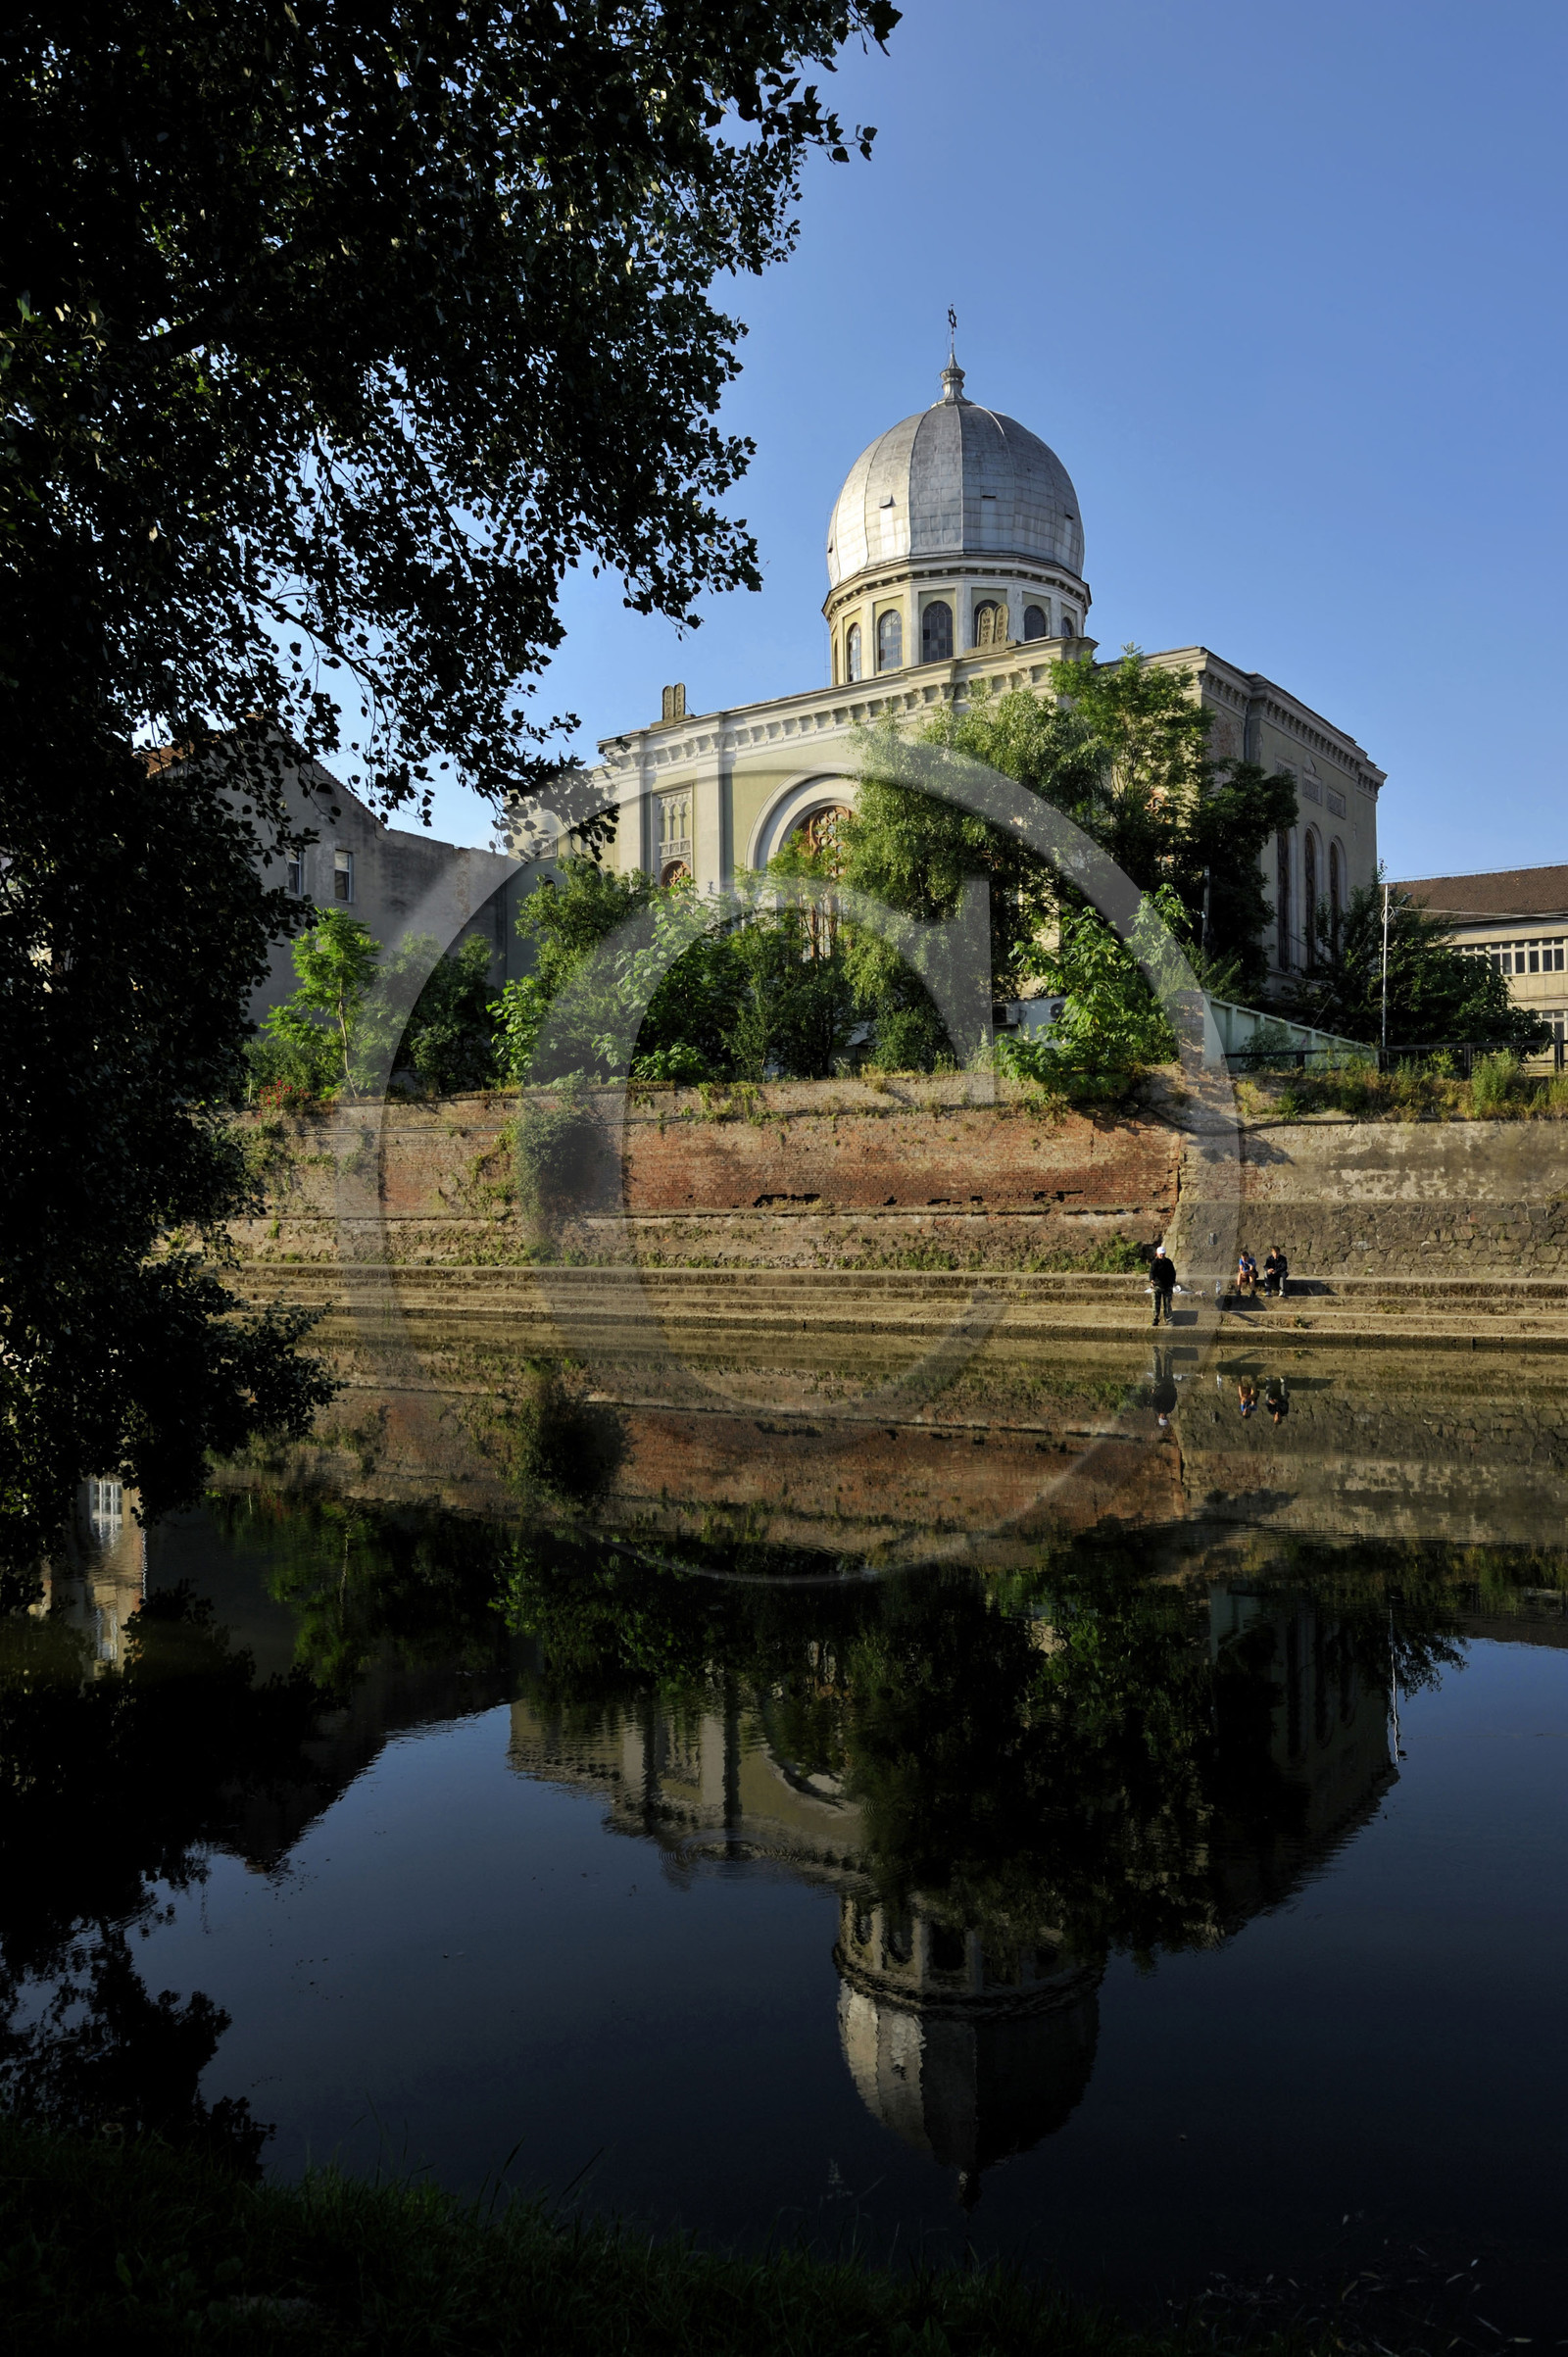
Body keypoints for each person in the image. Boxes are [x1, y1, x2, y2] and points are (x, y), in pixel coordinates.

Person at [1150, 1239, 1177, 1326]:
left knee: (1167, 1304)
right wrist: (1152, 1280)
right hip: (1157, 1285)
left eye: (1163, 1253)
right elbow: (1152, 1272)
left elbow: (1173, 1273)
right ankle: (1155, 1319)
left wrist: (1172, 1282)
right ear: (1157, 1254)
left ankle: (1168, 1319)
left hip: (1167, 1286)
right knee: (1156, 1303)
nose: (1162, 1255)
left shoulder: (1168, 1262)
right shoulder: (1155, 1262)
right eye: (1160, 1253)